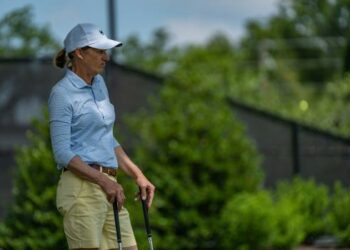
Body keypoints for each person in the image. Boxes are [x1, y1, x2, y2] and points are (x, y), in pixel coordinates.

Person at [48, 23, 155, 250]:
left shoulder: (99, 85)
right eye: (100, 51)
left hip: (109, 188)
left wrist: (137, 175)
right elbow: (62, 152)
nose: (106, 57)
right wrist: (103, 181)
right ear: (79, 53)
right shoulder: (62, 93)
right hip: (81, 190)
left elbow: (107, 138)